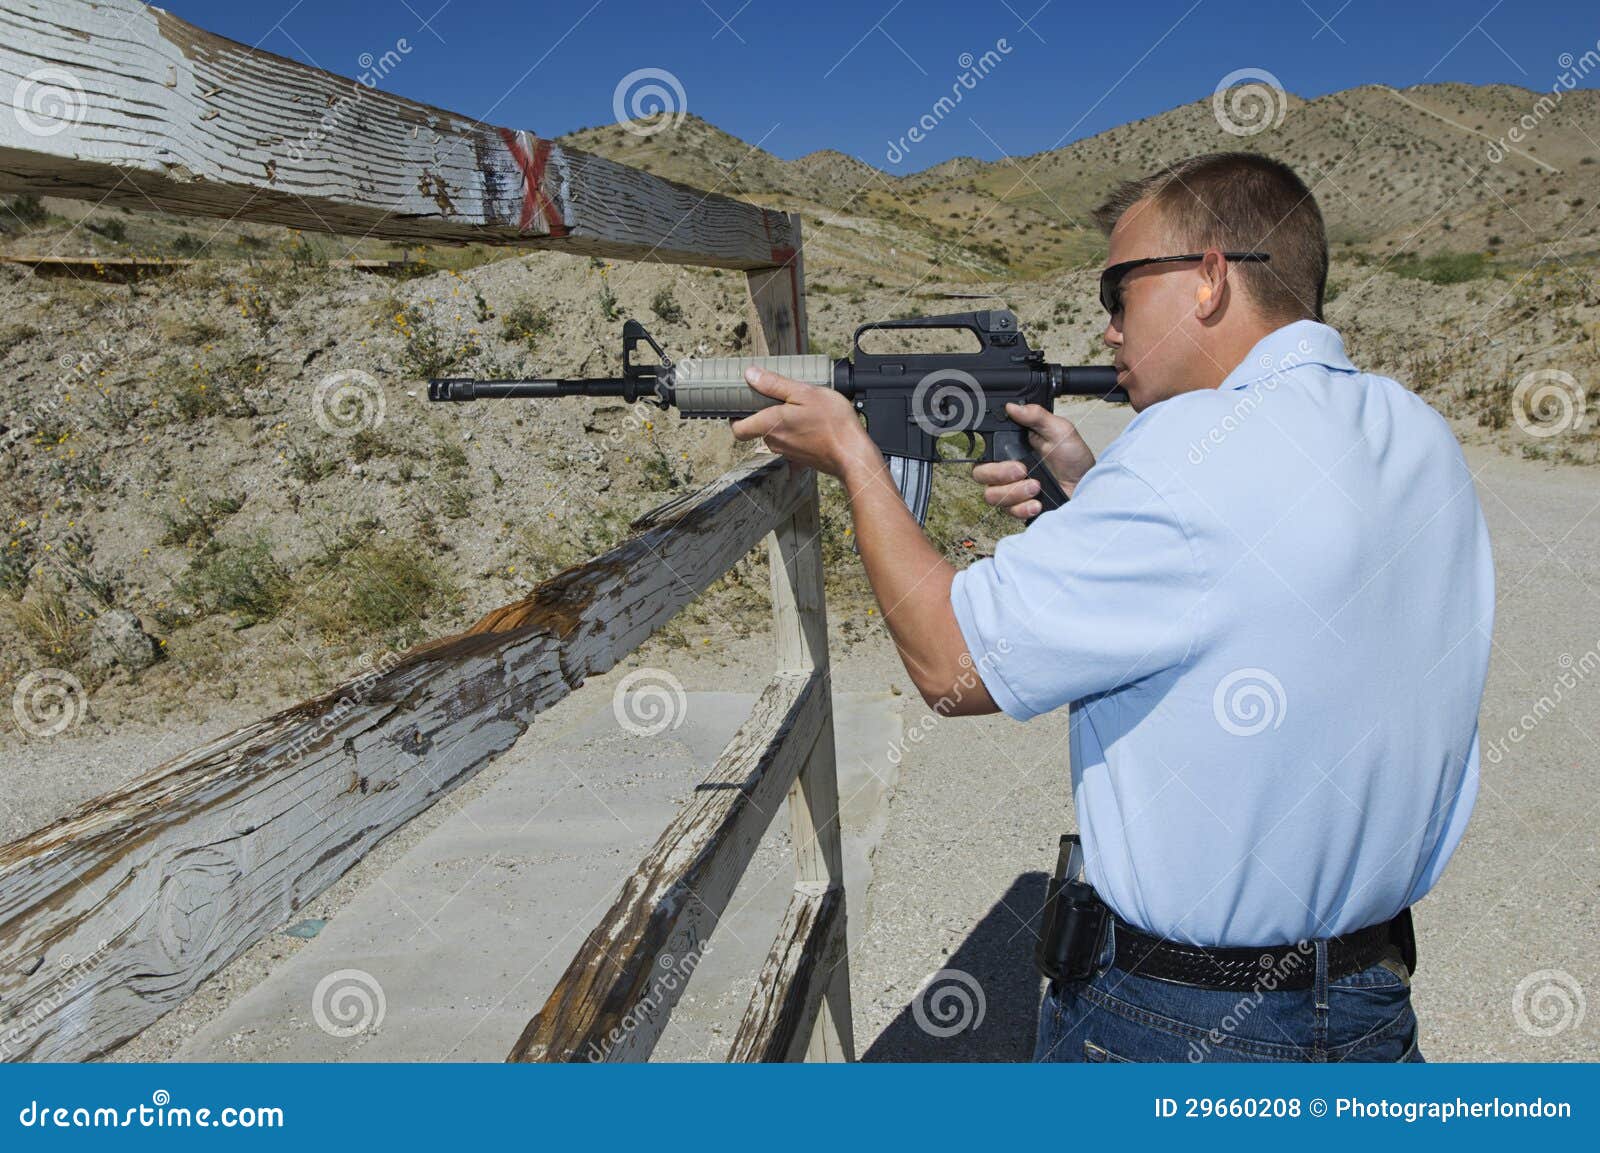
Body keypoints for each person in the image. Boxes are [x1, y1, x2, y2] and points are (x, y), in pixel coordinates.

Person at [729, 151, 1493, 1063]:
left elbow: (950, 665)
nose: (1109, 326)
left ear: (1209, 278)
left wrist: (853, 458)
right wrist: (1097, 496)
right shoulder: (1412, 430)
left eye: (1120, 287)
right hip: (1371, 1007)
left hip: (1179, 1027)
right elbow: (1267, 585)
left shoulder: (1187, 452)